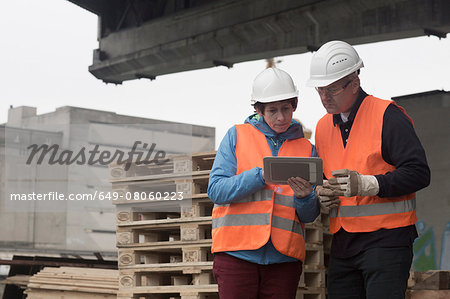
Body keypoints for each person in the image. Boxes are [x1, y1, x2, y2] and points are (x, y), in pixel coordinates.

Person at [307, 40, 431, 299]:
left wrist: (368, 184)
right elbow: (327, 178)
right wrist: (322, 193)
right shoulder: (321, 127)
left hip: (387, 241)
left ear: (354, 82)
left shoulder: (388, 116)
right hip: (344, 243)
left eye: (331, 89)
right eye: (319, 89)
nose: (324, 97)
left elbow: (419, 172)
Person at [207, 67, 320, 299]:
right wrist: (259, 176)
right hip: (236, 256)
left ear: (295, 105)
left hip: (284, 260)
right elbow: (216, 191)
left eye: (286, 109)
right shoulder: (236, 136)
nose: (281, 117)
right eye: (272, 110)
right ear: (258, 110)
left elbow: (309, 216)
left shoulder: (307, 149)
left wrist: (305, 197)